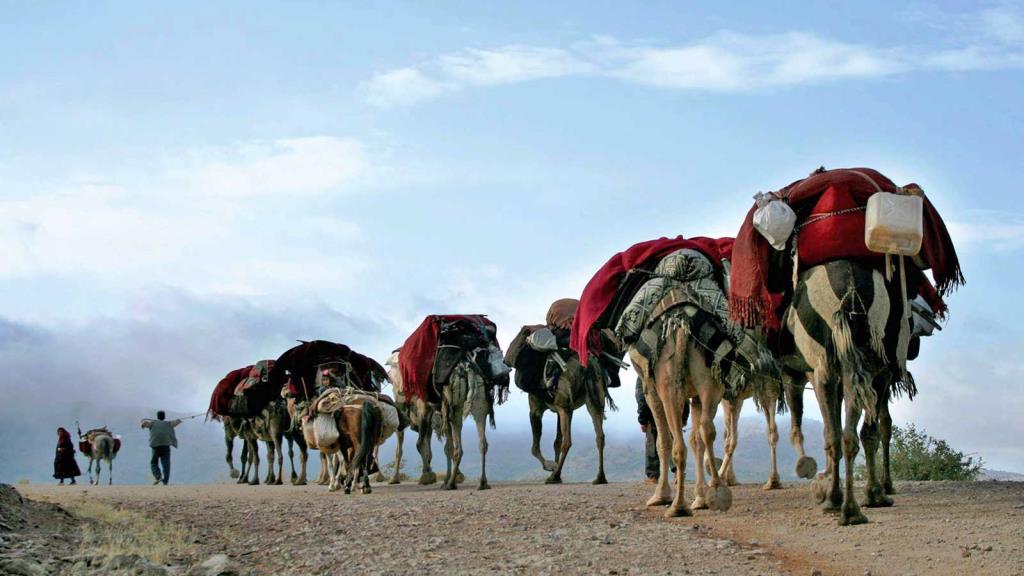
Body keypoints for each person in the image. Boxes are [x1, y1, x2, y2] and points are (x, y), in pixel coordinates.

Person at [141, 411, 182, 485]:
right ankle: (165, 481)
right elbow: (177, 422)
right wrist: (179, 420)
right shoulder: (169, 423)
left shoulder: (152, 423)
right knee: (166, 464)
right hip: (166, 446)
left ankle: (158, 476)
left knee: (154, 462)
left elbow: (144, 423)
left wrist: (143, 424)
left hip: (156, 446)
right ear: (164, 417)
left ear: (157, 416)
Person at [635, 378, 660, 483]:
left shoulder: (642, 375)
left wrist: (643, 419)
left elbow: (641, 396)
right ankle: (678, 472)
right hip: (672, 414)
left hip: (653, 415)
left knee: (652, 445)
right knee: (672, 440)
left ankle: (653, 476)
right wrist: (684, 417)